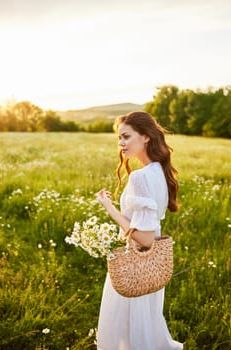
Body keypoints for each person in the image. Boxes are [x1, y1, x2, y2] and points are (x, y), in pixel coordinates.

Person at [96, 111, 183, 350]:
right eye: (119, 138)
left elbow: (143, 238)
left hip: (138, 263)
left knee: (128, 326)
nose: (121, 143)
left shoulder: (141, 177)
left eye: (126, 136)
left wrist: (109, 208)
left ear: (145, 137)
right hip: (153, 265)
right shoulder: (158, 170)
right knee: (145, 323)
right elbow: (147, 224)